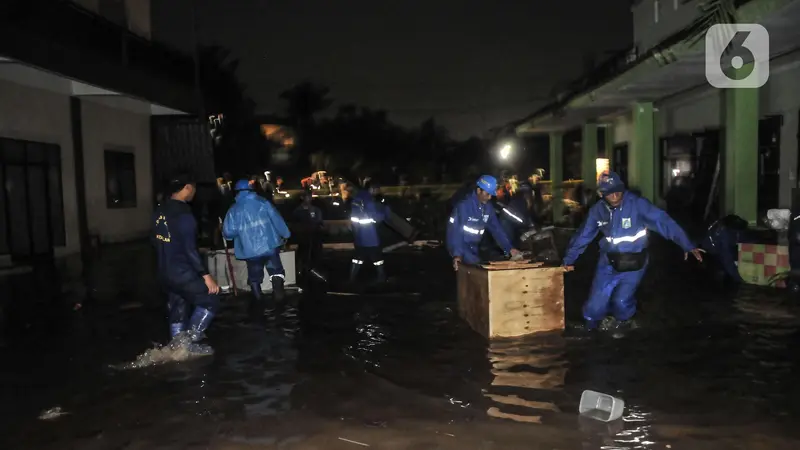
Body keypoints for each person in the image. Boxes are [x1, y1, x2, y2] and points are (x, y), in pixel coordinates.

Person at [562, 171, 704, 330]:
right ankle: (590, 330)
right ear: (601, 194)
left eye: (618, 191)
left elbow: (663, 222)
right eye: (609, 193)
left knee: (621, 302)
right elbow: (583, 235)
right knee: (595, 305)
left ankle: (624, 328)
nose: (615, 196)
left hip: (635, 263)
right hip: (608, 262)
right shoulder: (597, 211)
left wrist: (687, 244)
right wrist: (568, 260)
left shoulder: (637, 204)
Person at [152, 174, 221, 355]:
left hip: (164, 271)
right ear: (187, 188)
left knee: (178, 305)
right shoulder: (184, 214)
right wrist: (206, 276)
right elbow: (190, 249)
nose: (194, 192)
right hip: (182, 271)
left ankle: (175, 347)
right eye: (194, 188)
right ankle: (187, 345)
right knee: (211, 300)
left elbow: (157, 241)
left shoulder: (160, 210)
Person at [223, 179, 291, 314]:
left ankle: (259, 304)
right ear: (252, 190)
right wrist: (286, 234)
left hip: (250, 251)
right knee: (276, 271)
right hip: (270, 246)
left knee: (254, 277)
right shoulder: (263, 203)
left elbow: (228, 234)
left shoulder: (233, 210)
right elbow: (277, 220)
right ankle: (279, 302)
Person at [447, 175, 522, 271]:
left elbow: (497, 230)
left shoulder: (488, 208)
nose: (490, 197)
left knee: (477, 271)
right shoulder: (463, 206)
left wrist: (509, 248)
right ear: (479, 191)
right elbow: (455, 232)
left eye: (491, 195)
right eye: (487, 194)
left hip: (474, 247)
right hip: (461, 246)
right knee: (476, 270)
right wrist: (457, 254)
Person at [349, 181, 390, 284]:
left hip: (359, 236)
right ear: (372, 189)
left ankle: (352, 279)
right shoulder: (370, 201)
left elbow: (354, 219)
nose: (378, 191)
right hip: (371, 236)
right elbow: (378, 217)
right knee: (377, 259)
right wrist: (384, 211)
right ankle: (382, 278)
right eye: (377, 189)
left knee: (357, 258)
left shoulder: (357, 199)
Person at [292, 191, 324, 275]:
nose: (309, 198)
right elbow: (295, 223)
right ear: (302, 198)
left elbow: (319, 222)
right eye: (307, 196)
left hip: (315, 235)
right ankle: (301, 269)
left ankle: (314, 269)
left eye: (310, 197)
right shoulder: (298, 211)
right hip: (303, 236)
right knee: (303, 252)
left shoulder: (316, 210)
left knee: (315, 252)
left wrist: (319, 228)